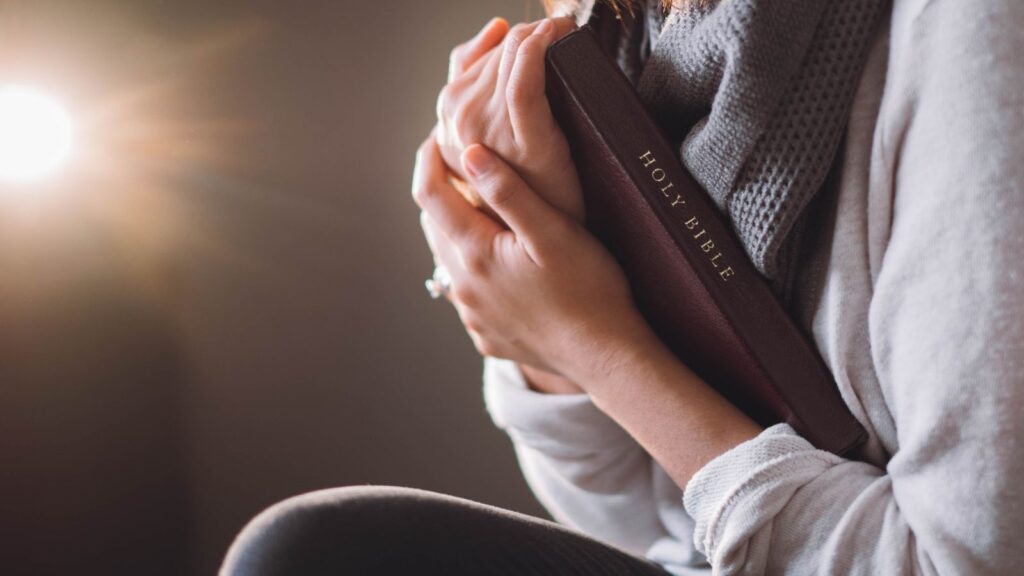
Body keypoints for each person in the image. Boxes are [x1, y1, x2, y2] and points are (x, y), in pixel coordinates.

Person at [220, 0, 1024, 574]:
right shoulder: (638, 37)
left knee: (312, 555)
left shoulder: (971, 34)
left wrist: (593, 346)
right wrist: (542, 316)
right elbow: (655, 526)